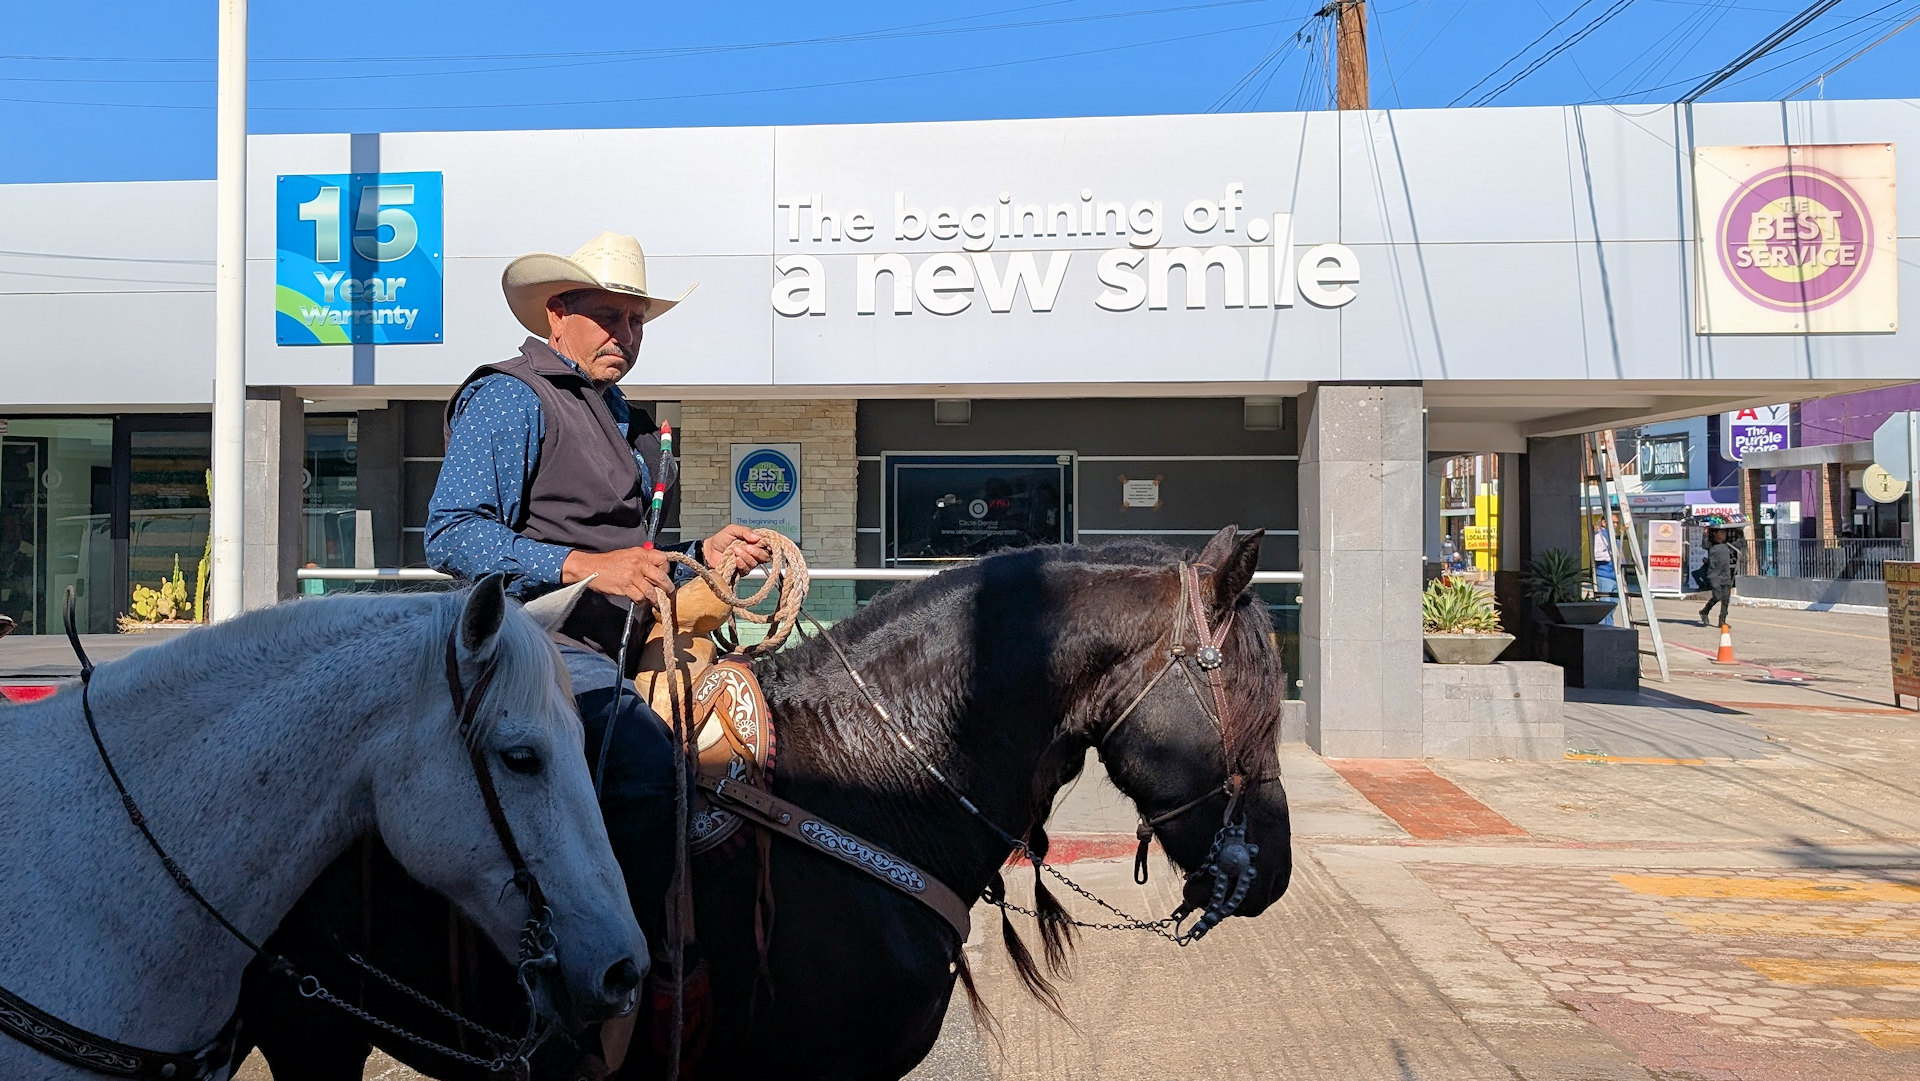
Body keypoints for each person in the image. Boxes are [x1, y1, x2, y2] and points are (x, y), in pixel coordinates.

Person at [425, 230, 767, 944]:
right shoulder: (510, 396)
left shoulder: (623, 416)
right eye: (609, 316)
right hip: (535, 642)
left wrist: (699, 555)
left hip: (621, 642)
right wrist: (581, 565)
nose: (626, 335)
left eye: (636, 320)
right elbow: (452, 533)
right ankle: (616, 963)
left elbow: (628, 556)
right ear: (557, 313)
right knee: (648, 769)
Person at [1700, 527, 1738, 628]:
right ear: (1715, 534)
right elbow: (1704, 544)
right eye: (1721, 532)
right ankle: (1704, 611)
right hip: (1714, 575)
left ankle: (1722, 621)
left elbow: (1741, 542)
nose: (1724, 534)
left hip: (1726, 575)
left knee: (1726, 599)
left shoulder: (1727, 545)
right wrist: (1705, 533)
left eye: (1724, 532)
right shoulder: (1711, 545)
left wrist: (1742, 531)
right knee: (1717, 596)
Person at [1592, 520, 1617, 626]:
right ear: (1604, 522)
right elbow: (1596, 554)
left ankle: (1609, 627)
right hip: (1605, 575)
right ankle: (1604, 628)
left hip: (1615, 576)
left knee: (1613, 606)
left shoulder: (1612, 536)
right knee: (1604, 607)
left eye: (1616, 522)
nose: (1616, 525)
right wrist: (1609, 556)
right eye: (1613, 522)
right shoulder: (1600, 536)